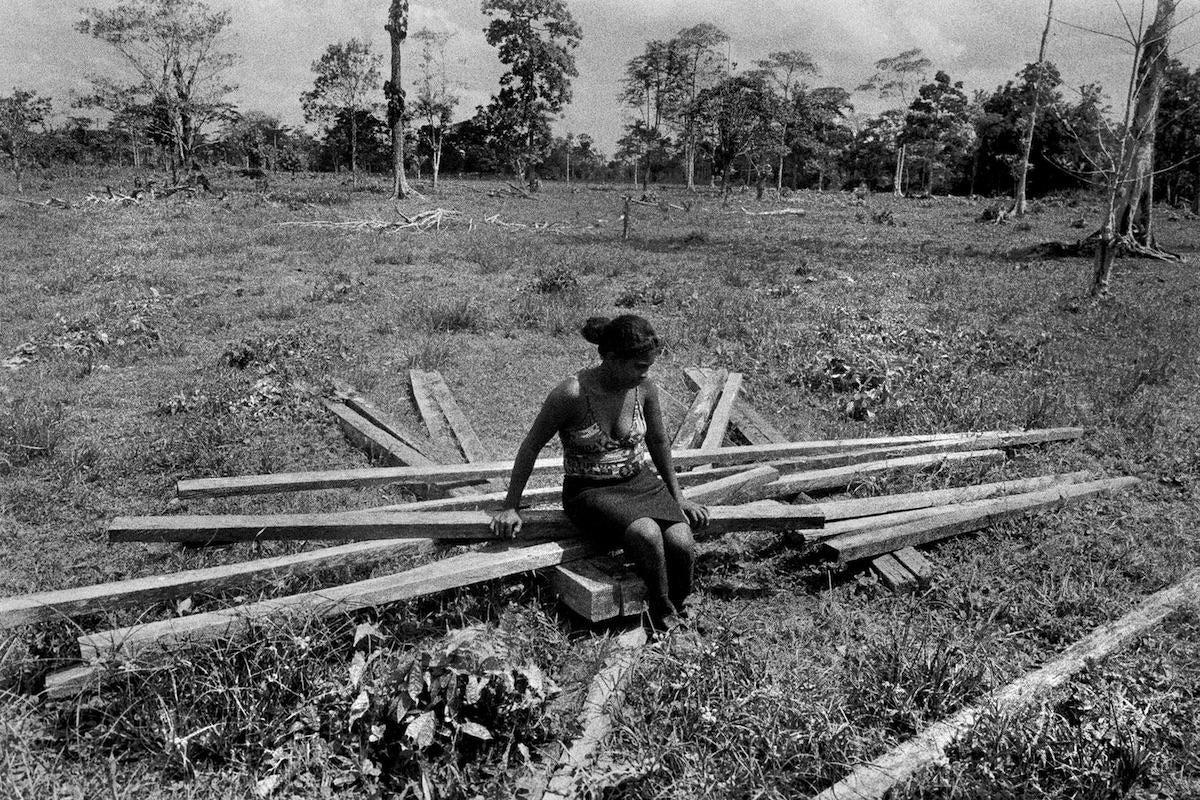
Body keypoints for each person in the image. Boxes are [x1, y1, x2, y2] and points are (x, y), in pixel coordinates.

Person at [490, 314, 709, 631]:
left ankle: (681, 601)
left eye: (648, 366)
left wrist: (679, 498)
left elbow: (658, 441)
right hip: (589, 492)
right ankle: (663, 614)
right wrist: (511, 504)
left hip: (640, 481)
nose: (645, 373)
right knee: (645, 533)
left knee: (681, 539)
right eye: (638, 366)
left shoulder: (644, 388)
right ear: (611, 358)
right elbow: (530, 447)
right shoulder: (571, 395)